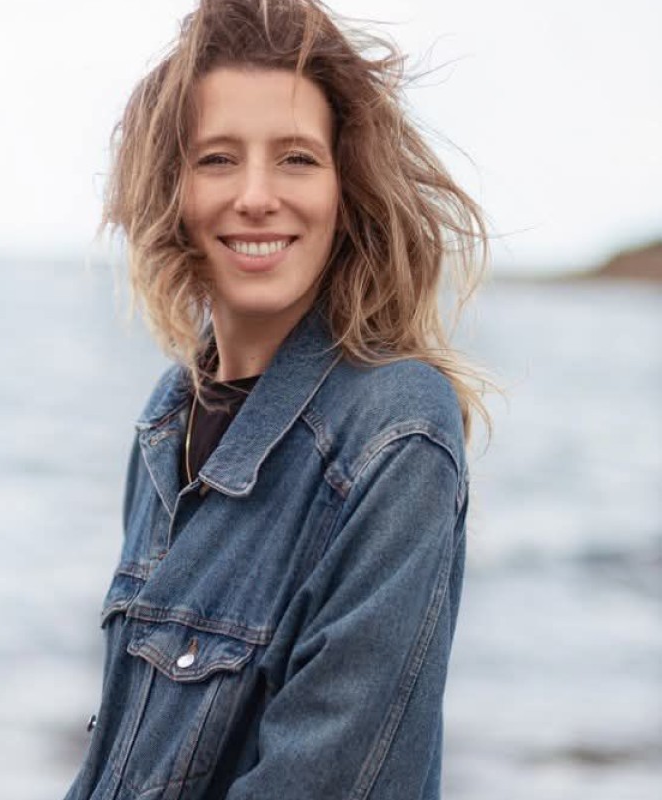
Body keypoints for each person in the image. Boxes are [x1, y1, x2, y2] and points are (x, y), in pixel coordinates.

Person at [65, 1, 489, 797]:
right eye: (219, 159)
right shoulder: (168, 419)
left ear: (344, 187)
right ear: (174, 190)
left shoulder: (396, 434)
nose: (257, 196)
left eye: (296, 158)